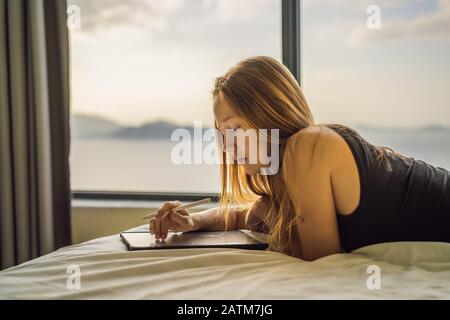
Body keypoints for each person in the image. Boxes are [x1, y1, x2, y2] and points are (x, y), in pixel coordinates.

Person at [149, 56, 450, 261]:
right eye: (222, 133)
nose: (227, 145)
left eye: (236, 128)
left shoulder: (308, 147)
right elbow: (250, 213)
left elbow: (320, 260)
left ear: (269, 113)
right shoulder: (289, 171)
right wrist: (192, 221)